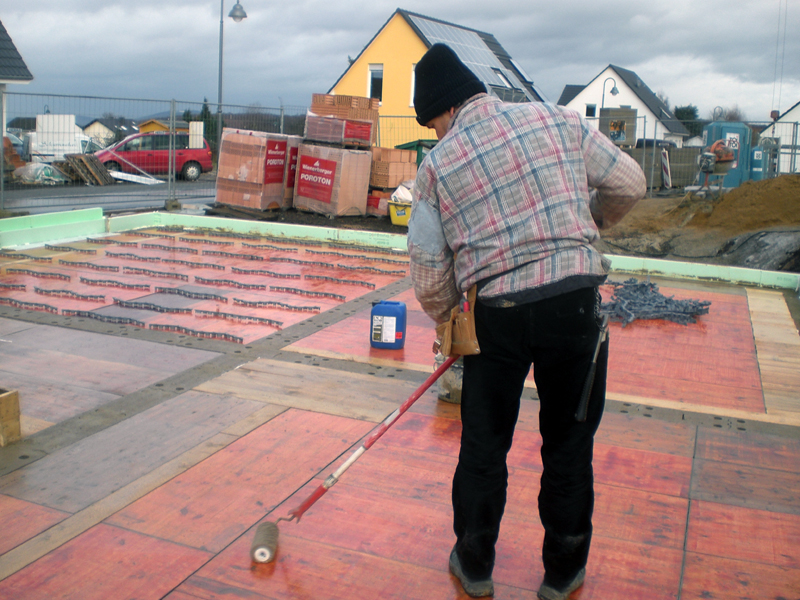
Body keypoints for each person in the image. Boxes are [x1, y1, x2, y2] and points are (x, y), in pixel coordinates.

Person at [407, 44, 646, 599]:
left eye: (434, 125)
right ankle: (562, 575)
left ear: (445, 110)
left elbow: (427, 270)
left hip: (497, 316)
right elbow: (630, 183)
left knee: (483, 447)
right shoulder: (558, 120)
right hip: (575, 304)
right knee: (568, 446)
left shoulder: (436, 166)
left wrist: (450, 322)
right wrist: (589, 220)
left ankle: (474, 566)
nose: (438, 135)